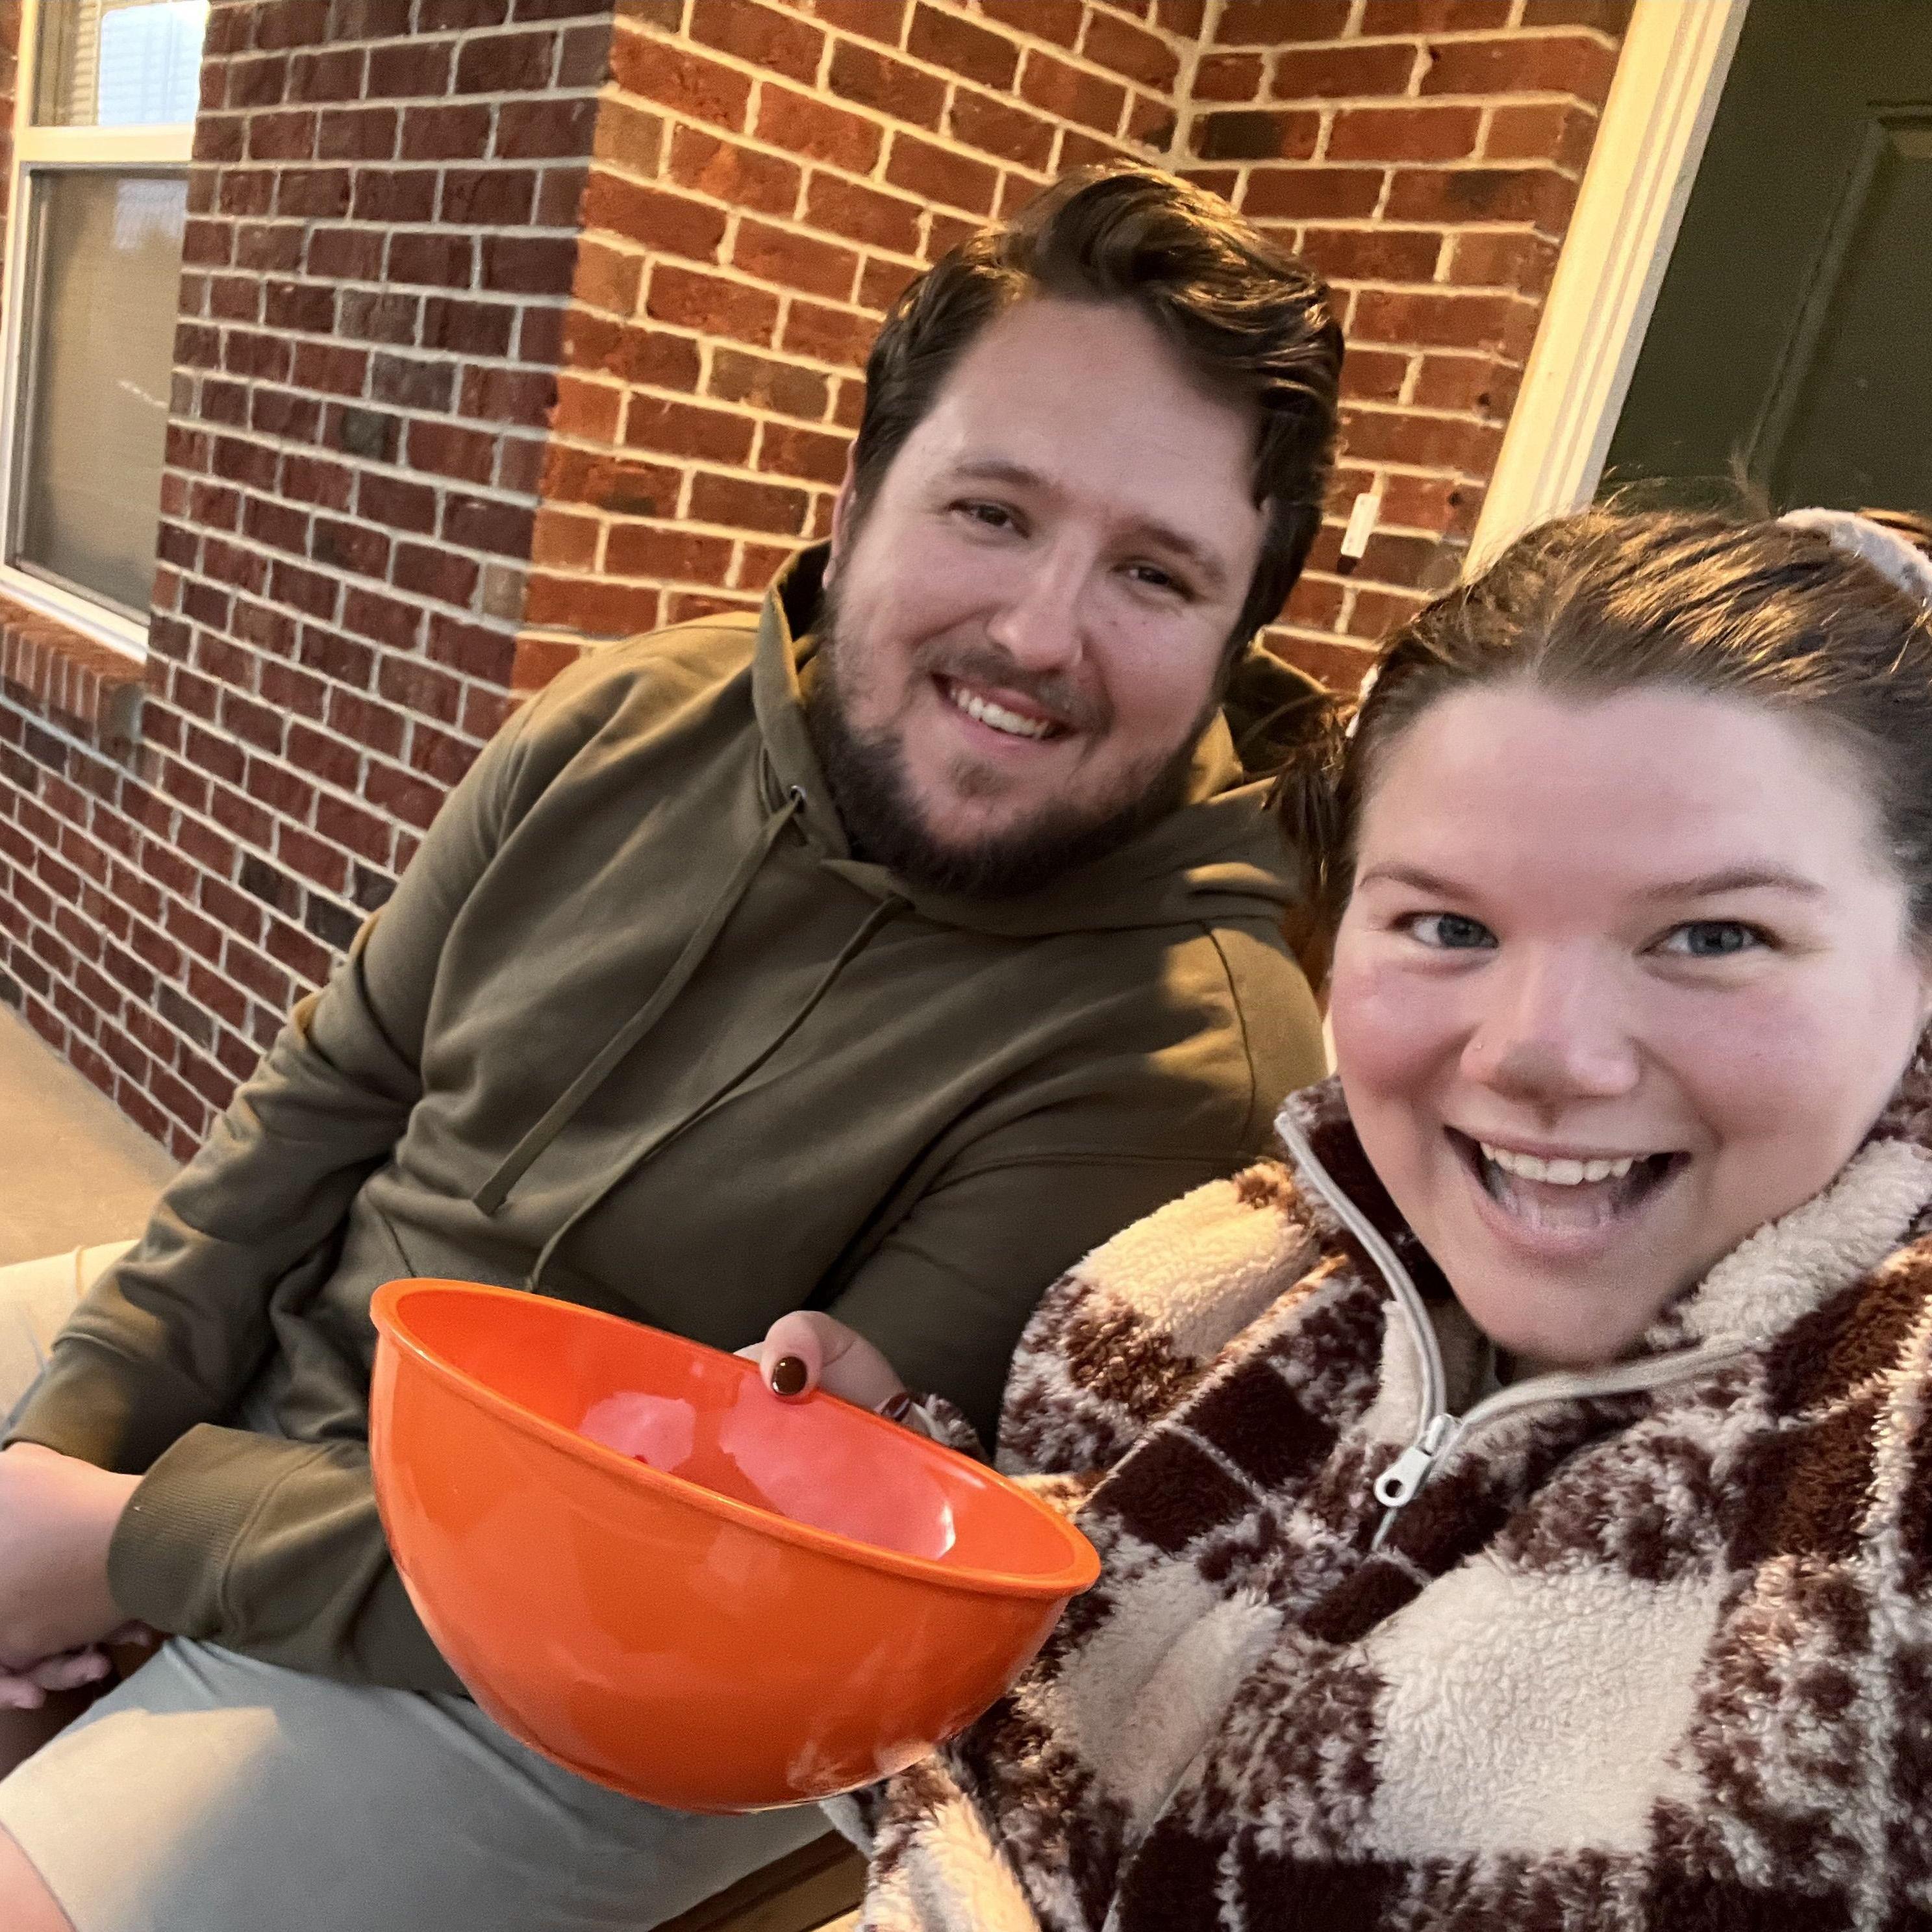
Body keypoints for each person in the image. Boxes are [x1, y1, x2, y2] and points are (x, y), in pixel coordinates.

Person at [0, 165, 1343, 1932]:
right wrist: (66, 1449)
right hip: (293, 1429)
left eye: (1156, 573)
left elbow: (740, 1589)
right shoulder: (626, 718)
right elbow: (318, 1116)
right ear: (857, 501)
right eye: (991, 511)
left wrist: (127, 1540)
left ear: (1241, 630)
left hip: (585, 1674)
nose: (1037, 635)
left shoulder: (1186, 1054)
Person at [770, 503, 1932, 1929]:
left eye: (1712, 936)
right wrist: (898, 1515)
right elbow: (1080, 1744)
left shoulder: (1890, 1469)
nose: (1532, 1052)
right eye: (1446, 926)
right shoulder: (1204, 1281)